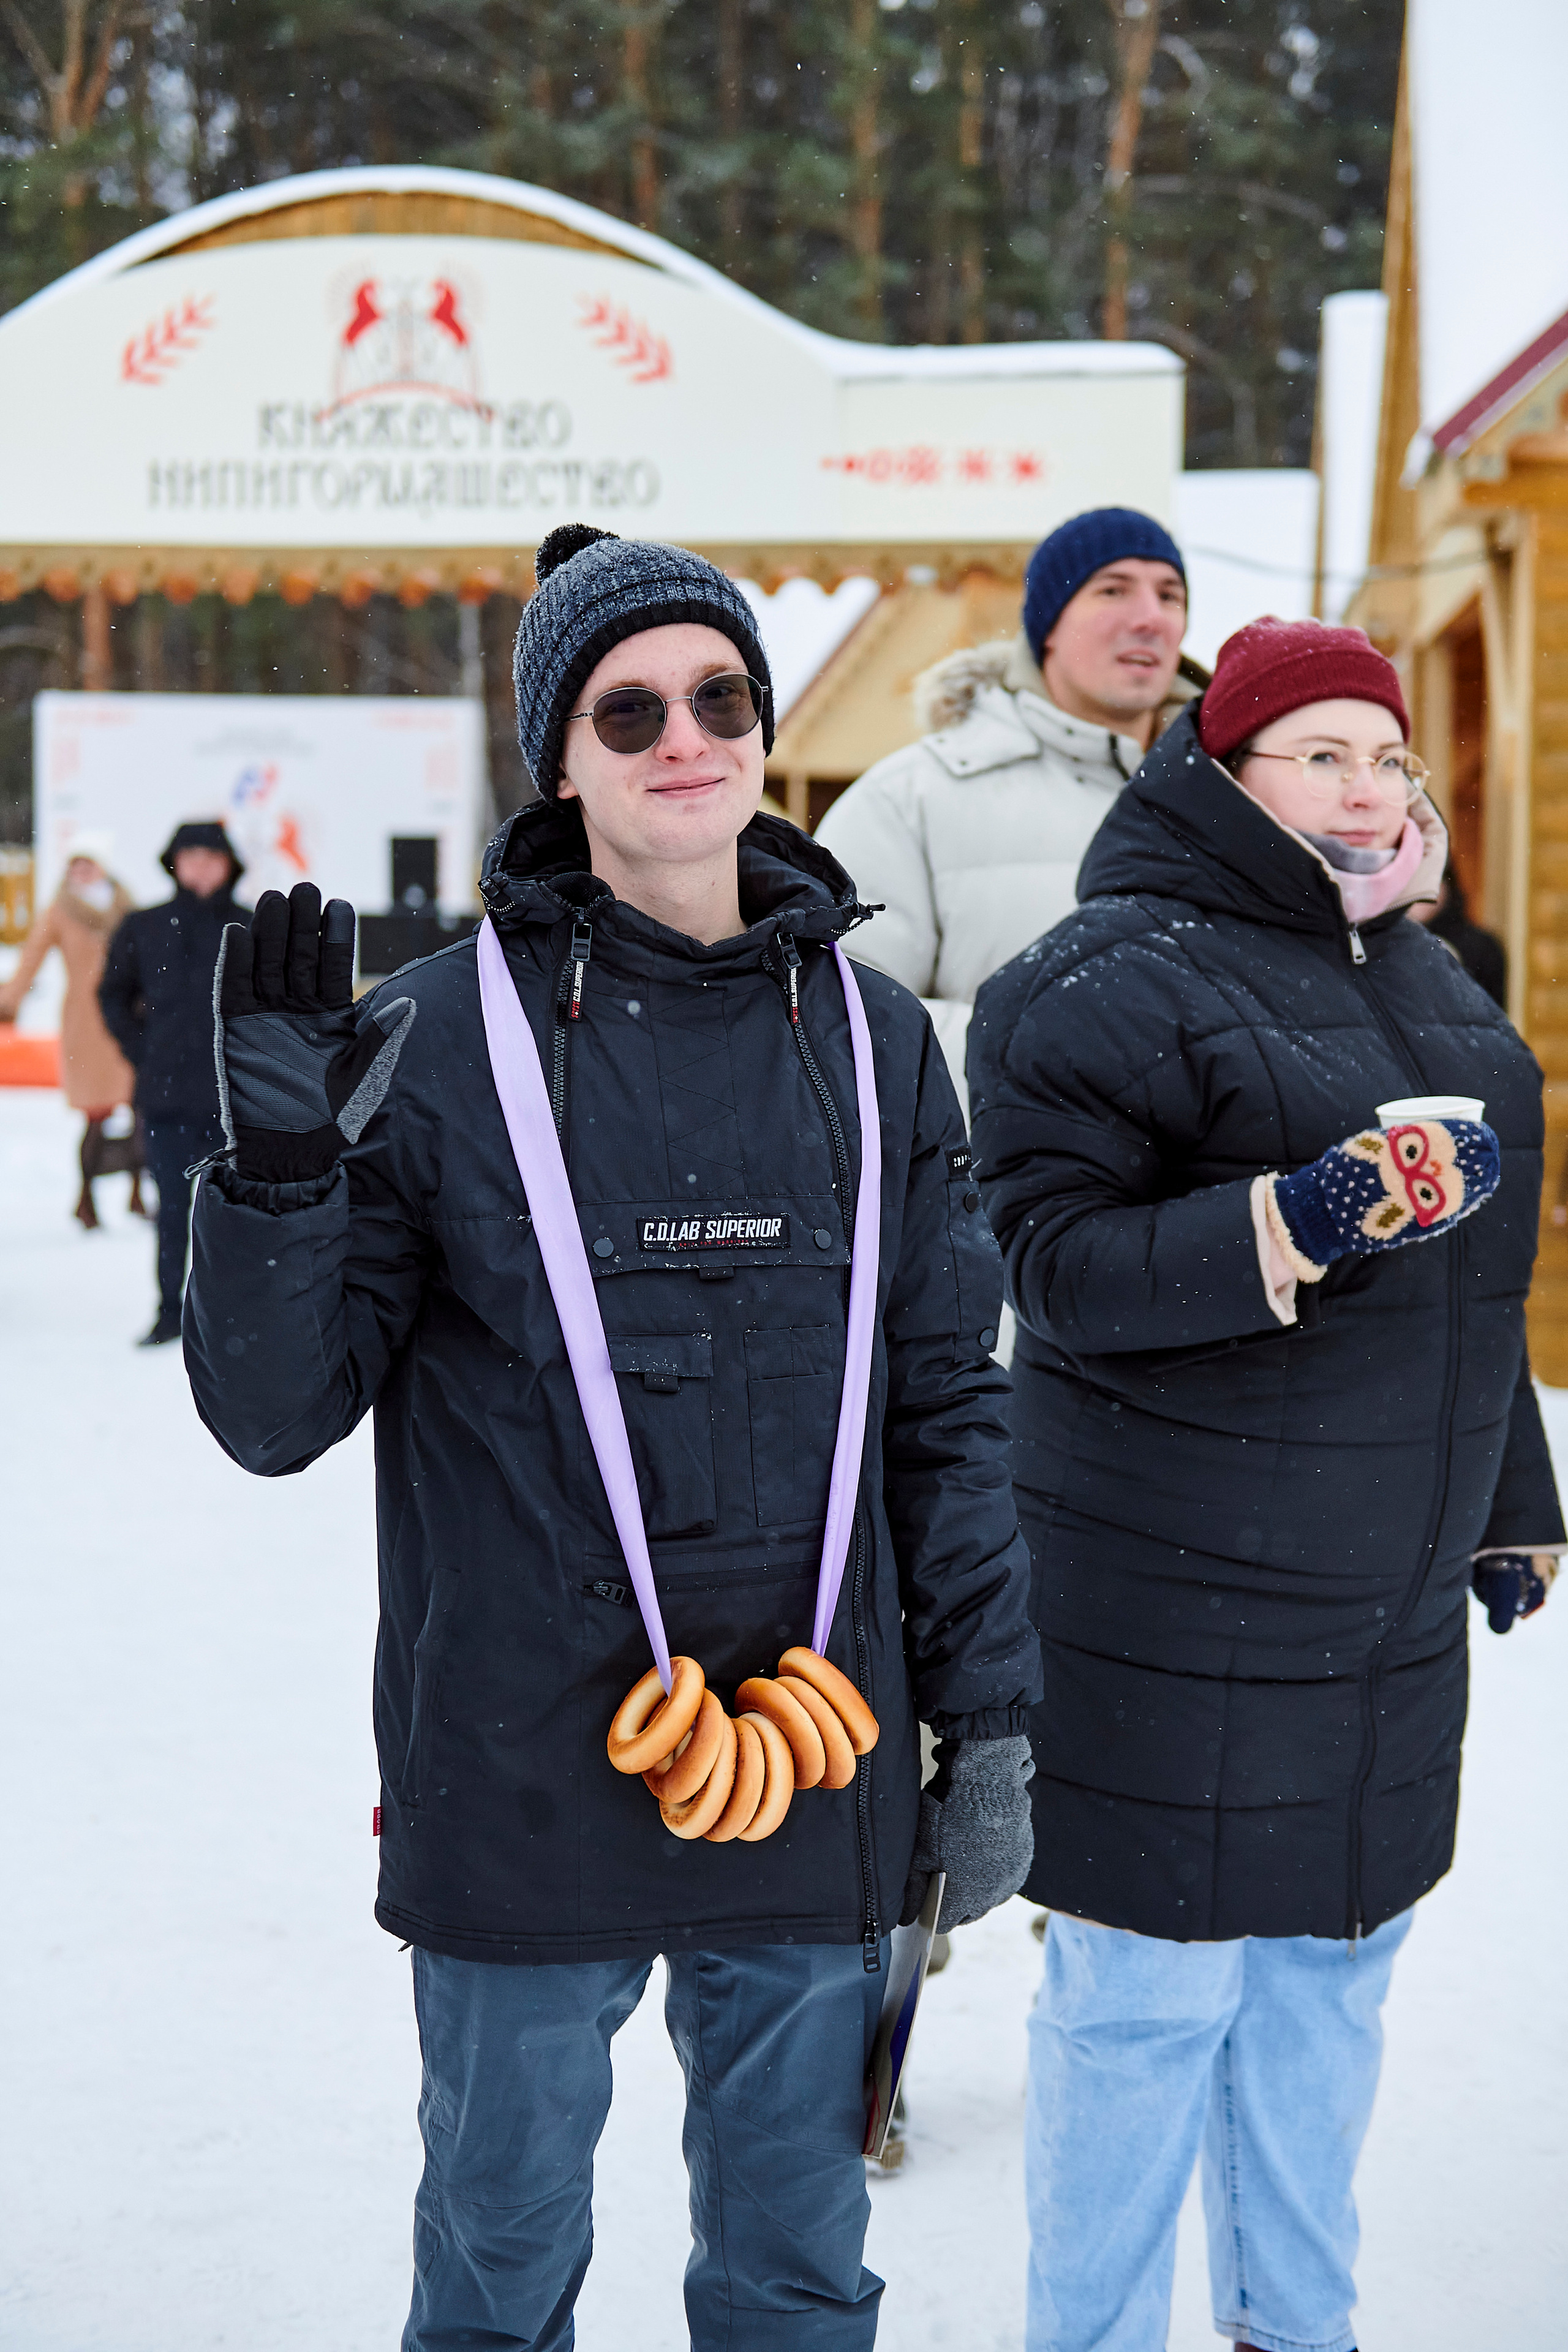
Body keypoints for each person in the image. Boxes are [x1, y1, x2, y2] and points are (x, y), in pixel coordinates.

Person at [182, 523, 1041, 2351]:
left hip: (819, 1762)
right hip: (517, 1772)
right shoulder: (425, 1039)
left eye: (719, 694)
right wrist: (273, 1175)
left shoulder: (875, 1040)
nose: (683, 733)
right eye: (626, 704)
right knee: (495, 2277)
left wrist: (993, 1716)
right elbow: (274, 1415)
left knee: (799, 2275)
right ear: (558, 760)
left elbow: (946, 1408)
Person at [968, 616, 1563, 2352]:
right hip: (1174, 1601)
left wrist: (1512, 1491)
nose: (1370, 787)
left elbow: (1473, 1279)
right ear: (1223, 771)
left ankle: (1297, 2328)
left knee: (1331, 1993)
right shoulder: (1098, 977)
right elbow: (1054, 1263)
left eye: (1387, 756)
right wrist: (1290, 1223)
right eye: (1325, 754)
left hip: (1379, 1618)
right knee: (1144, 2005)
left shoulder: (1425, 975)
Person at [817, 506, 1193, 1104]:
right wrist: (1052, 1071)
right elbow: (842, 1020)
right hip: (997, 1191)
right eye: (1113, 590)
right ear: (1047, 624)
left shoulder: (1235, 799)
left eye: (1170, 596)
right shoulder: (911, 798)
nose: (1150, 618)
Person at [99, 821, 246, 1346]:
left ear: (229, 864)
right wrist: (144, 1051)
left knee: (233, 1216)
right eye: (191, 856)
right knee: (172, 1211)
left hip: (236, 1104)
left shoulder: (249, 928)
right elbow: (112, 994)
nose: (201, 867)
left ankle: (229, 1318)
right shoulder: (145, 926)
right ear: (175, 863)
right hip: (165, 1100)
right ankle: (169, 1309)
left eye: (211, 857)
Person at [0, 831, 145, 1227]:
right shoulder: (60, 911)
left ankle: (136, 1192)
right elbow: (32, 956)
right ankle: (86, 1197)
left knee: (139, 1108)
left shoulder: (125, 906)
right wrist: (9, 999)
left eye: (88, 863)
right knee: (95, 1114)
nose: (81, 871)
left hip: (129, 1018)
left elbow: (149, 956)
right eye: (75, 865)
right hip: (86, 1022)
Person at [1408, 858, 1507, 1006]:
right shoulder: (1374, 944)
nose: (1420, 892)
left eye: (1429, 880)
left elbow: (1492, 1019)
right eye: (1410, 882)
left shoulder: (1480, 948)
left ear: (1447, 885)